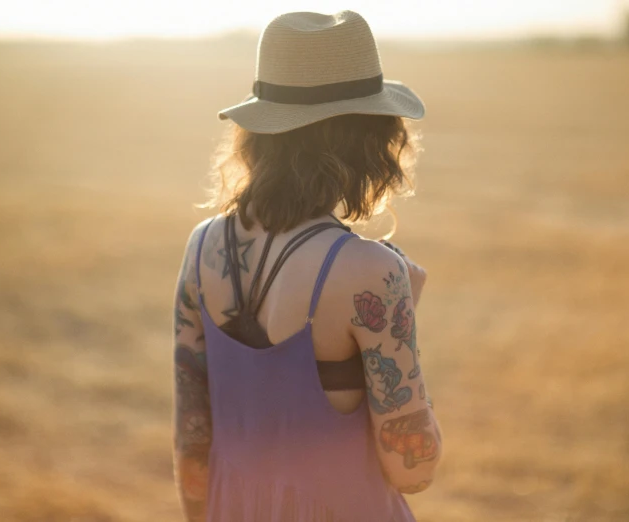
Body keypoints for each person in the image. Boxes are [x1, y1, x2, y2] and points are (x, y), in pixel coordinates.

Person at [173, 10, 442, 522]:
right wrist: (403, 323)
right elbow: (415, 469)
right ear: (368, 138)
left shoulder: (202, 245)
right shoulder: (373, 272)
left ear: (261, 134)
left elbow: (191, 438)